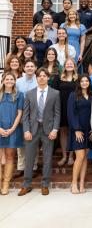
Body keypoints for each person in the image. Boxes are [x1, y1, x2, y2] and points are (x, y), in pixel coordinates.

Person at [18, 68, 61, 196]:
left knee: (47, 158)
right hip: (32, 130)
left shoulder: (55, 93)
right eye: (39, 76)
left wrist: (55, 129)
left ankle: (45, 184)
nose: (41, 78)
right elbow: (25, 115)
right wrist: (26, 130)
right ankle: (26, 184)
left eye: (44, 76)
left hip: (48, 130)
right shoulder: (29, 94)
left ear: (48, 78)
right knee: (29, 158)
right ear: (36, 78)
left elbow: (57, 114)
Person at [67, 74, 92, 194]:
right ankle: (73, 183)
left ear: (89, 83)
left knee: (85, 158)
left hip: (88, 129)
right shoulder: (73, 95)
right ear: (79, 83)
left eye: (86, 81)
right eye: (82, 81)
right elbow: (71, 113)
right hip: (77, 130)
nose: (84, 83)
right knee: (79, 156)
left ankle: (82, 184)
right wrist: (77, 129)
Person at [0, 73, 24, 195]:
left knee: (10, 157)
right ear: (3, 81)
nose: (9, 81)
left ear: (15, 81)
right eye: (7, 79)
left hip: (13, 129)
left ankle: (5, 185)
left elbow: (19, 114)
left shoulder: (19, 95)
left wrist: (12, 129)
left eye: (11, 79)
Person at [53, 58, 79, 166]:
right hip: (62, 107)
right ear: (64, 66)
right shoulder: (58, 78)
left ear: (74, 66)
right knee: (63, 131)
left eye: (71, 64)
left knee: (73, 131)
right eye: (67, 64)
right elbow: (54, 94)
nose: (69, 65)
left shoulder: (78, 79)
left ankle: (71, 157)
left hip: (74, 108)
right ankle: (64, 156)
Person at [14, 60, 38, 179]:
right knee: (21, 141)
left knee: (32, 141)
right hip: (21, 113)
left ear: (35, 68)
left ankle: (33, 166)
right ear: (24, 68)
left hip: (34, 114)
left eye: (31, 66)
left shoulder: (39, 80)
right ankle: (21, 167)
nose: (29, 68)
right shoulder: (18, 82)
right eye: (27, 66)